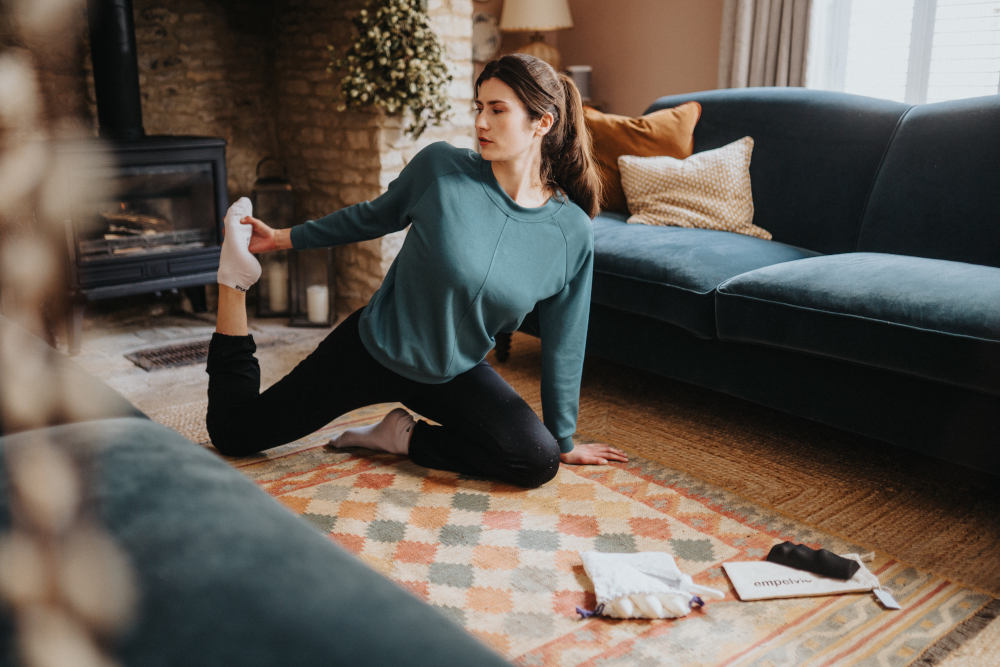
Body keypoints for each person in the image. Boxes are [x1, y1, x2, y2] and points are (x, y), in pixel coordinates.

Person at [206, 54, 627, 488]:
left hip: (453, 371)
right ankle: (232, 282)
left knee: (538, 461)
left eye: (498, 110)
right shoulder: (442, 168)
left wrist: (563, 437)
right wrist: (279, 239)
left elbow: (565, 339)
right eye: (478, 107)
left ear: (543, 123)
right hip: (371, 349)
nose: (481, 122)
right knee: (235, 434)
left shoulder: (571, 231)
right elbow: (371, 217)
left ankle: (401, 437)